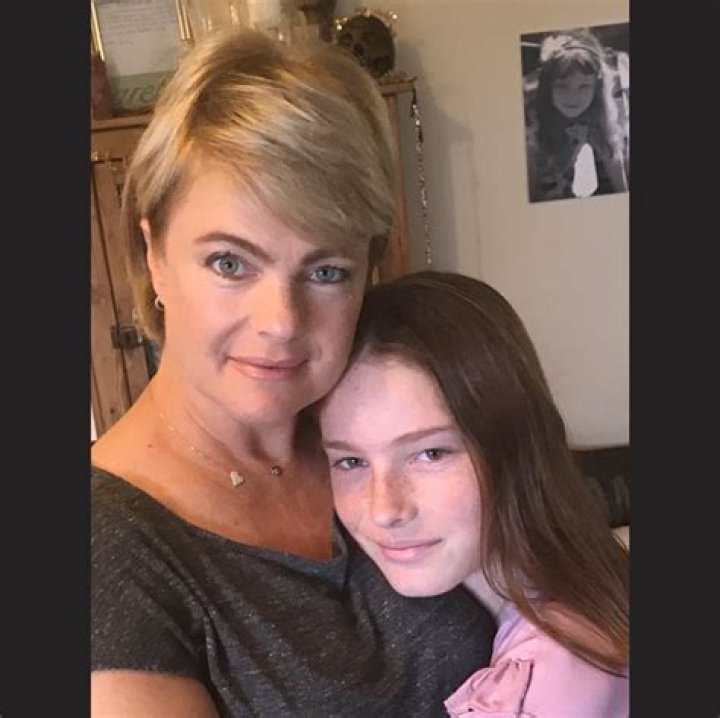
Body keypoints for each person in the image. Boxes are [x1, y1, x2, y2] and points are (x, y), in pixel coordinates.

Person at [90, 30, 497, 716]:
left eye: (326, 271)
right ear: (154, 254)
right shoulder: (106, 551)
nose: (281, 321)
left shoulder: (397, 421)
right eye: (230, 263)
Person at [318, 271, 630, 717]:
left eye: (430, 453)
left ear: (514, 446)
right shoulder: (583, 580)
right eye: (351, 462)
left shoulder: (547, 687)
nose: (385, 509)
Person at [523, 28, 629, 202]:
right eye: (561, 86)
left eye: (584, 86)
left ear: (596, 89)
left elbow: (612, 157)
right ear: (547, 87)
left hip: (566, 192)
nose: (573, 97)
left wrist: (624, 198)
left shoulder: (595, 113)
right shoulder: (530, 122)